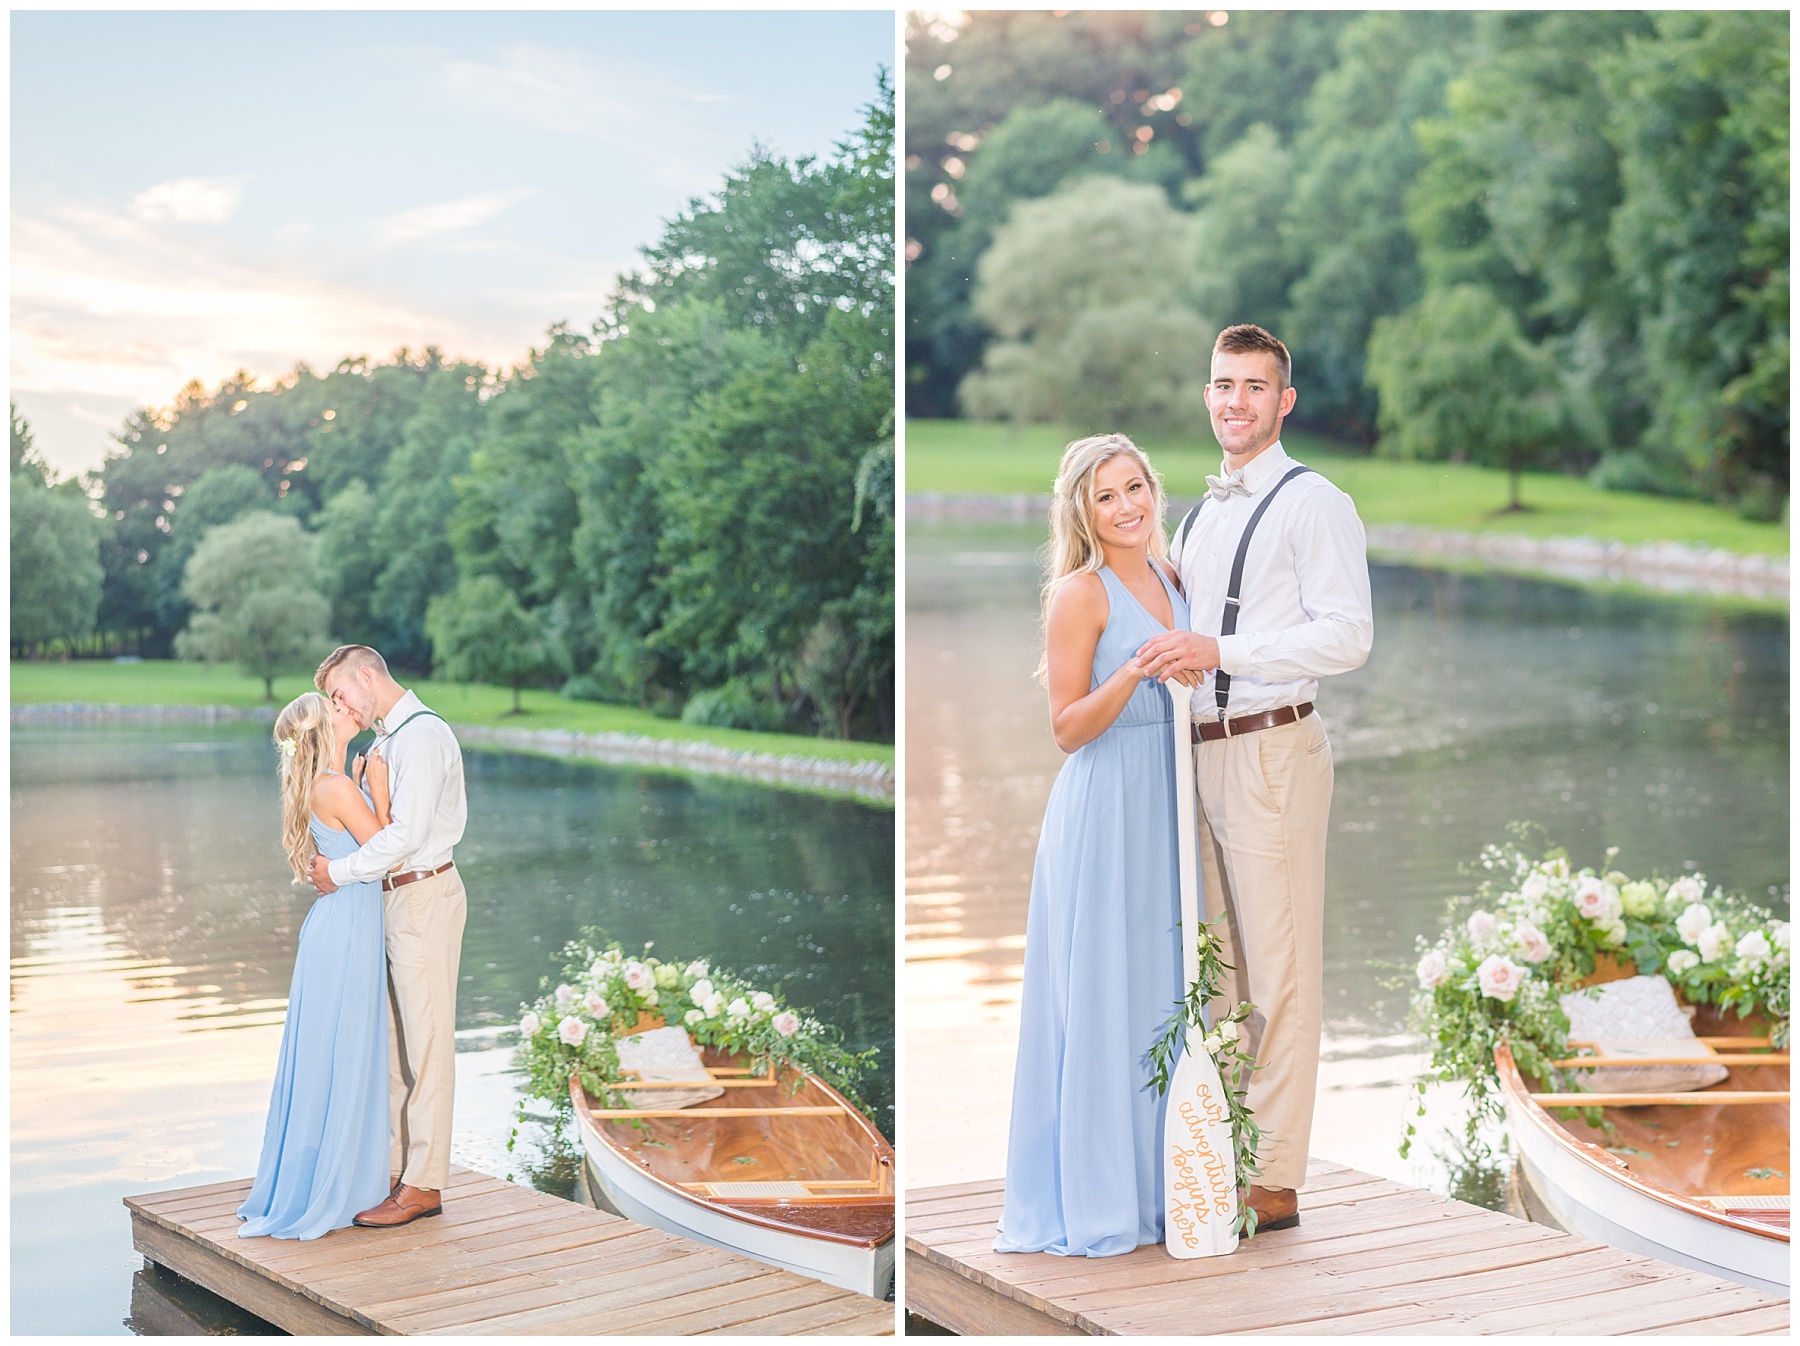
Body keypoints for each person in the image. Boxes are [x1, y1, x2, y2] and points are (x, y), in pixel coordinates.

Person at [1137, 324, 1373, 1232]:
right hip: (1199, 755)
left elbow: (1347, 636)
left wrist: (1221, 648)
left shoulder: (1316, 503)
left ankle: (1273, 1181)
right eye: (1221, 385)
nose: (1234, 401)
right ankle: (1225, 1151)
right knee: (1221, 973)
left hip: (1272, 750)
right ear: (1207, 396)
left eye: (1253, 387)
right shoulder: (1203, 514)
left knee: (1281, 976)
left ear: (1285, 402)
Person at [994, 434, 1191, 1257]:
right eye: (1107, 496)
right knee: (1105, 995)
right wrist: (1133, 674)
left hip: (1171, 802)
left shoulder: (1177, 575)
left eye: (1136, 486)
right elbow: (1067, 728)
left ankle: (1166, 1190)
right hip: (1105, 805)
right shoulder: (1082, 593)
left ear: (1154, 489)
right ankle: (1100, 1199)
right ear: (1083, 510)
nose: (1127, 507)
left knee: (1161, 993)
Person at [305, 645, 468, 1228]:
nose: (337, 705)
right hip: (393, 898)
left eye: (340, 694)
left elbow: (405, 836)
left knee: (427, 1048)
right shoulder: (389, 741)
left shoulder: (421, 737)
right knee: (399, 1045)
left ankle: (424, 1185)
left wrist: (338, 873)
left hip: (422, 895)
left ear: (367, 677)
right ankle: (398, 1170)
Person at [238, 692, 393, 1239]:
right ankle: (337, 1182)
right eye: (335, 706)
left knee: (325, 1052)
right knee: (342, 1049)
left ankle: (318, 1175)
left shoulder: (320, 782)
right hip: (346, 928)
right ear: (324, 727)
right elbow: (388, 849)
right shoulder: (339, 787)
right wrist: (376, 787)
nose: (345, 707)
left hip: (333, 925)